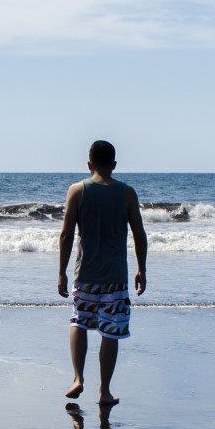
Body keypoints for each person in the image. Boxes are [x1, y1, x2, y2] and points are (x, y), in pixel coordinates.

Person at [56, 139, 148, 407]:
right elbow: (139, 234)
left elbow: (66, 234)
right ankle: (104, 391)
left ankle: (77, 378)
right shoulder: (127, 193)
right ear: (115, 165)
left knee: (79, 322)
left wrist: (61, 271)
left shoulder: (77, 190)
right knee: (110, 331)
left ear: (88, 164)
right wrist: (142, 268)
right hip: (116, 276)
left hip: (85, 274)